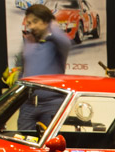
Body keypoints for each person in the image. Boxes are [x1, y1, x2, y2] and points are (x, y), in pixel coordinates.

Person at [16, 3, 71, 131]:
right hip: (28, 104)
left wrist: (52, 24)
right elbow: (22, 68)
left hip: (52, 103)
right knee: (23, 141)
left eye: (36, 21)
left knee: (49, 146)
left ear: (46, 22)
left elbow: (65, 41)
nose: (32, 26)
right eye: (29, 23)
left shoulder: (58, 43)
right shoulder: (28, 41)